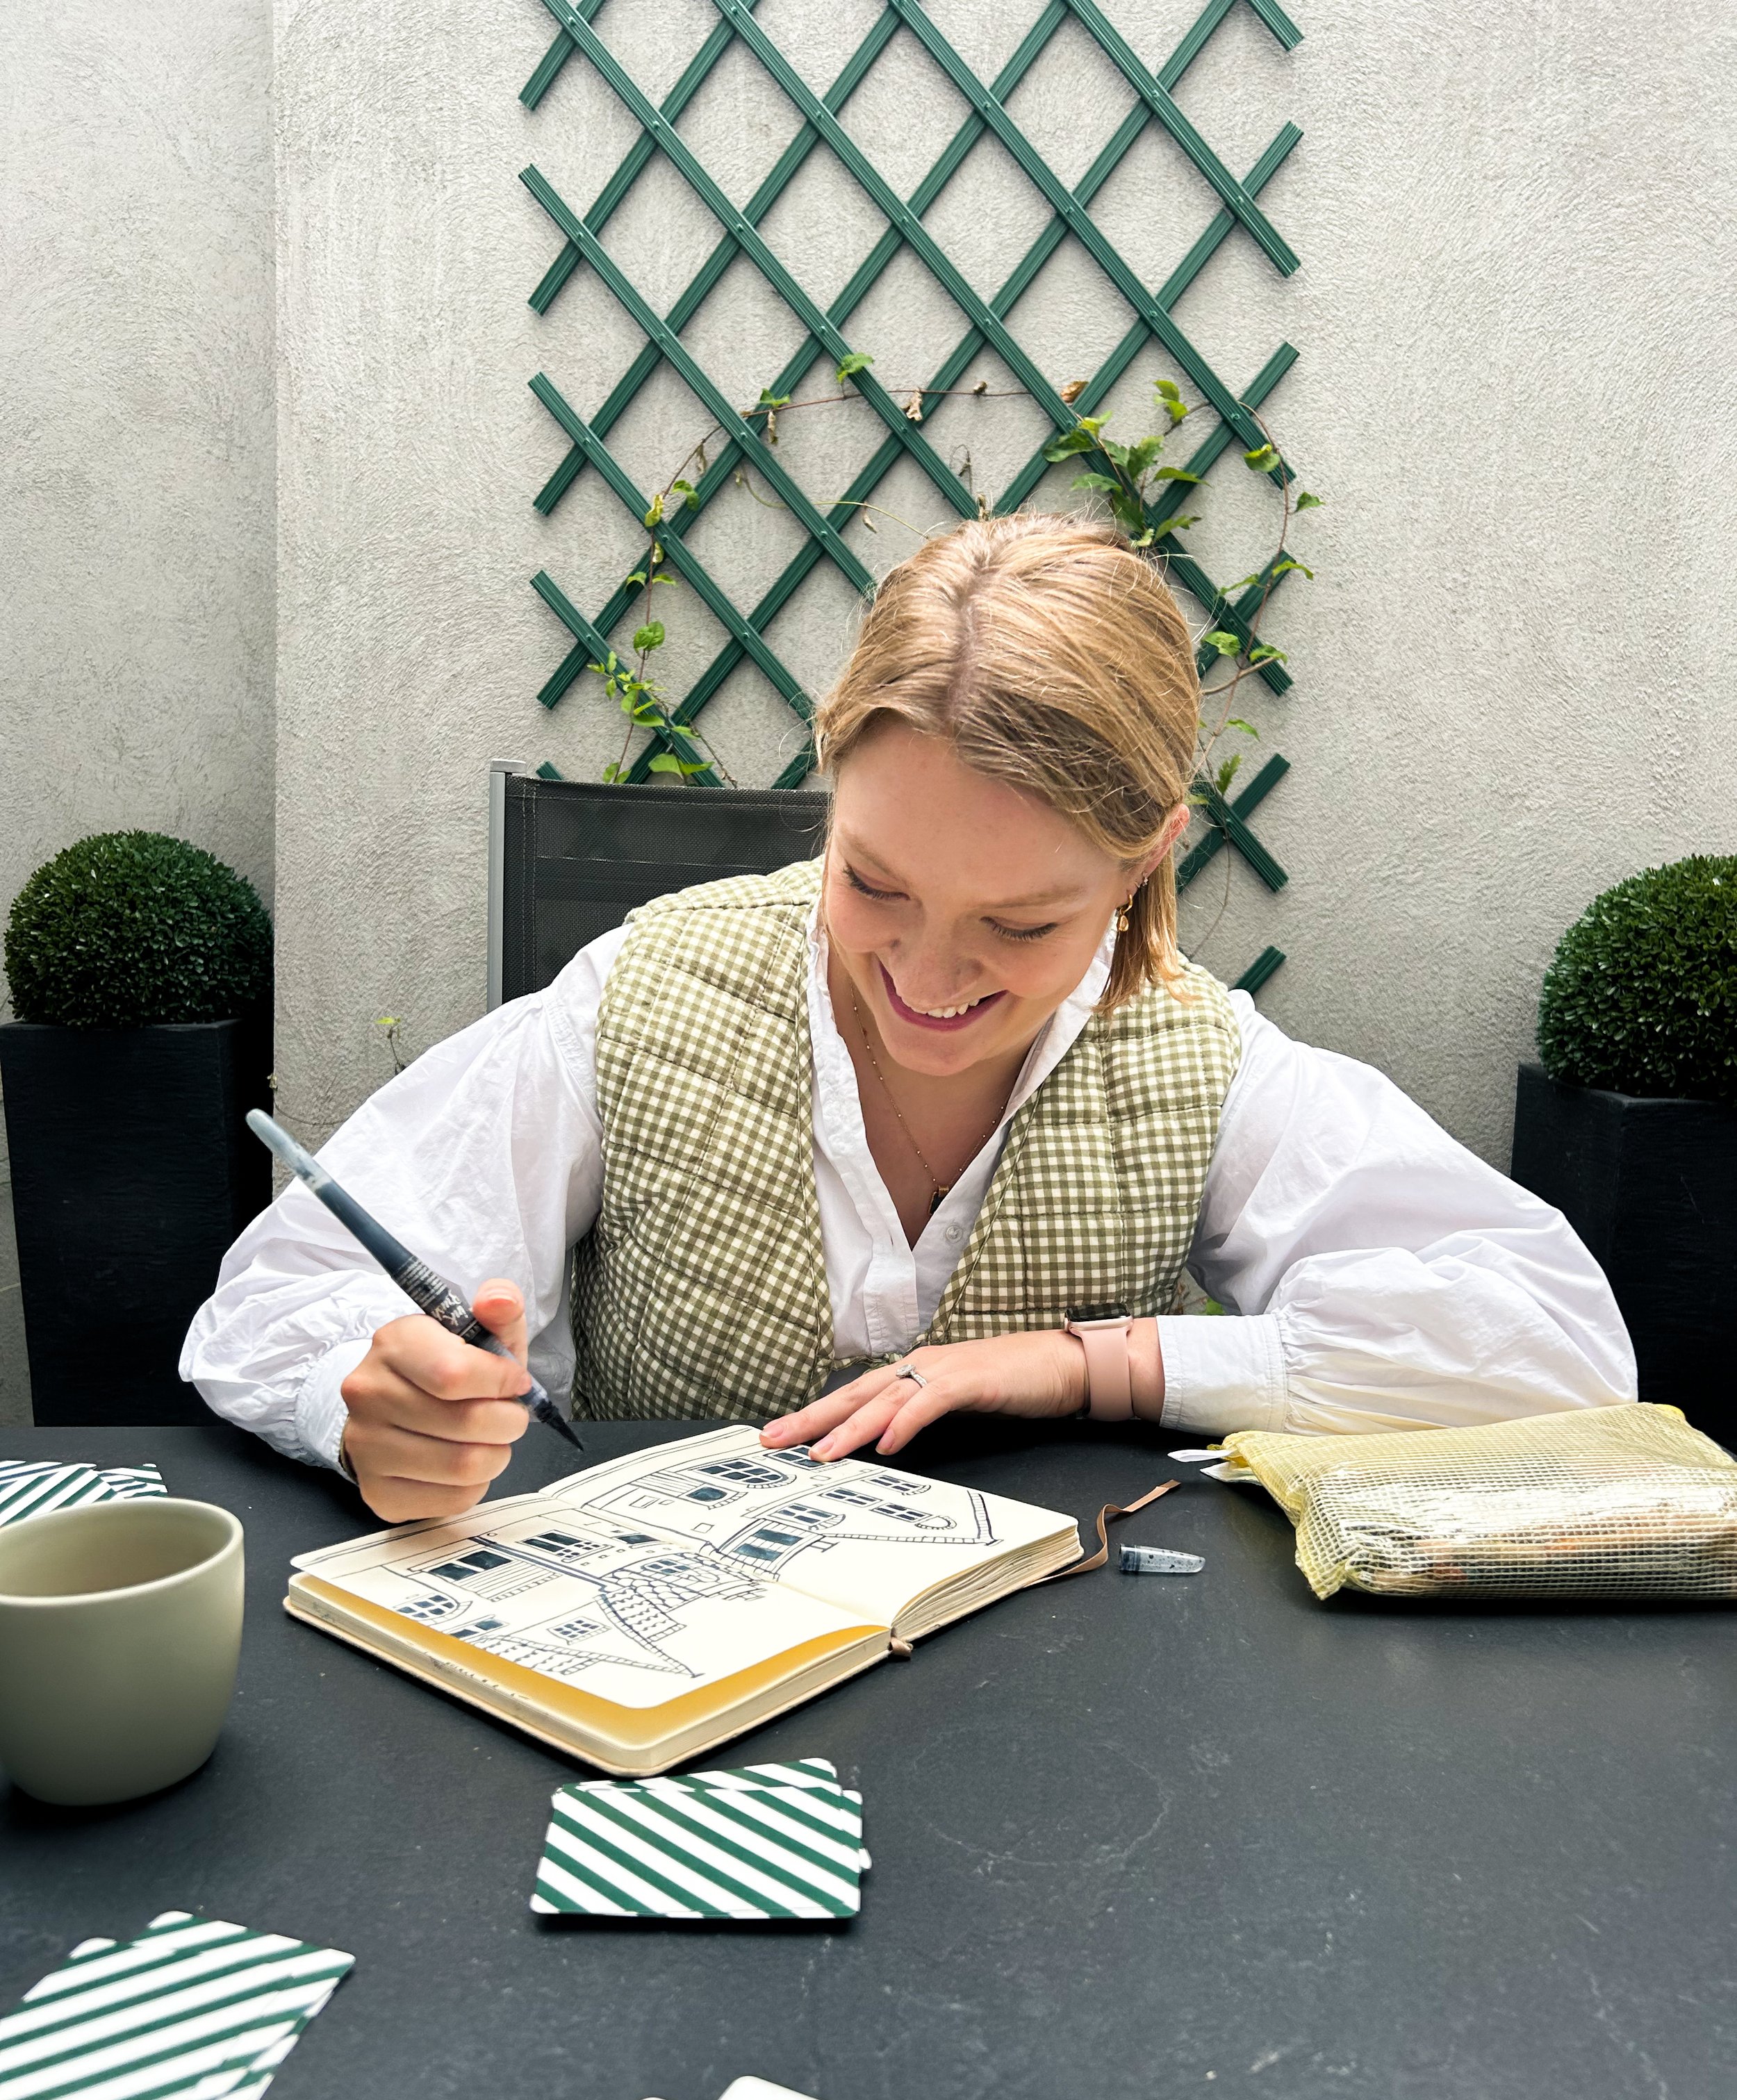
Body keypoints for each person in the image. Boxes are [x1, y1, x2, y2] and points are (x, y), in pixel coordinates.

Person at [183, 516, 1634, 1523]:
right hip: (658, 1723)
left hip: (1062, 1748)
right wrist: (365, 1399)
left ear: (1143, 861)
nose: (931, 978)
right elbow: (274, 1304)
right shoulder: (637, 993)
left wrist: (1093, 1361)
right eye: (871, 880)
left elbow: (1557, 1344)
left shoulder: (1201, 1059)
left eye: (1021, 923)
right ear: (827, 787)